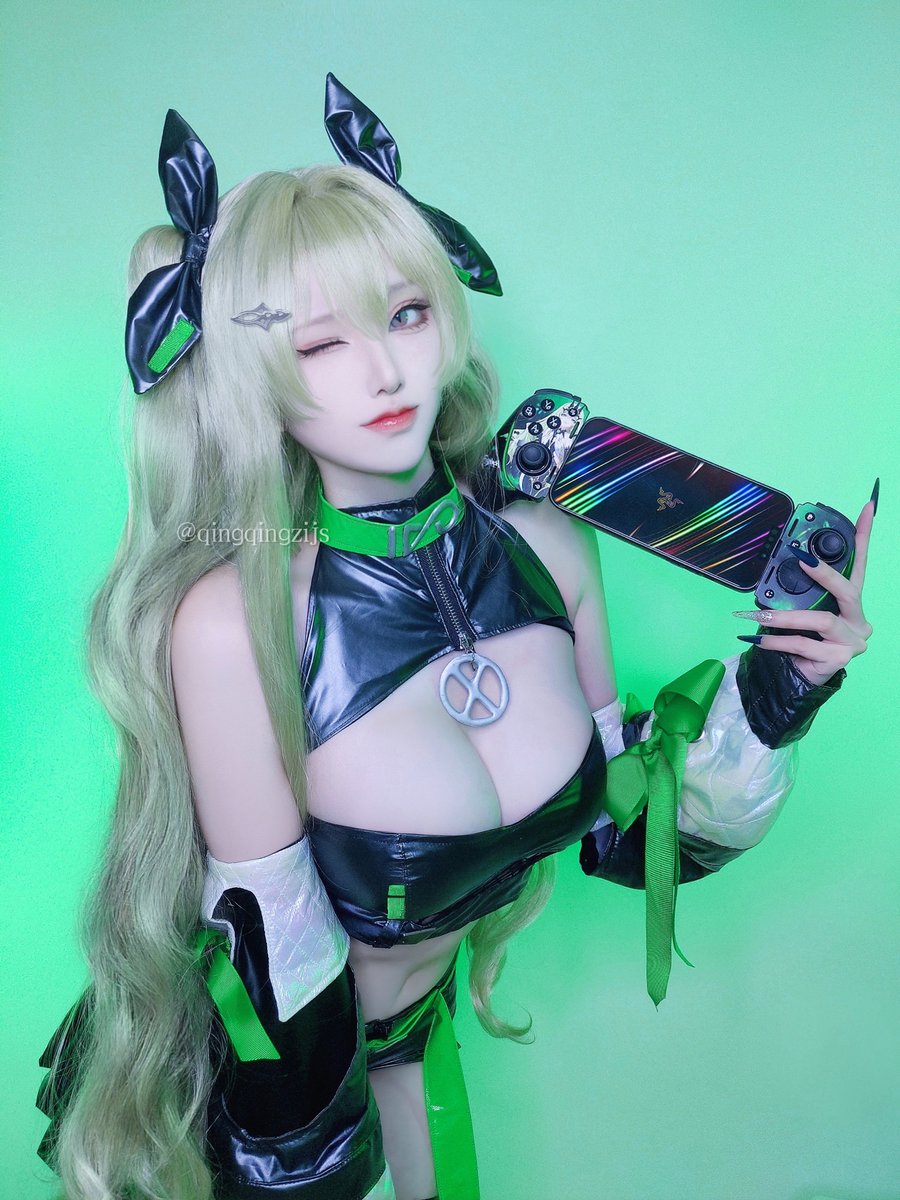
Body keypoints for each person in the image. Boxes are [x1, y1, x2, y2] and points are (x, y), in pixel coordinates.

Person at [35, 79, 875, 1200]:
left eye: (406, 314)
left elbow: (621, 830)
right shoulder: (235, 625)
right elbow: (276, 970)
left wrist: (776, 693)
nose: (385, 373)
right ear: (252, 377)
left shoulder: (548, 547)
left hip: (410, 1053)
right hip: (267, 1109)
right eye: (320, 343)